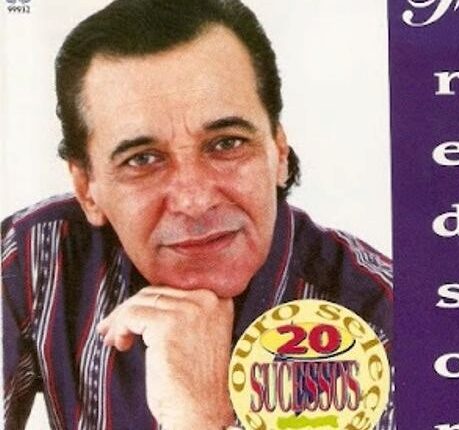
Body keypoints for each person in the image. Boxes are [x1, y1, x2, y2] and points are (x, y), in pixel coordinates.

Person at [1, 0, 393, 428]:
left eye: (226, 143)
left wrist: (200, 418)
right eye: (142, 159)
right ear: (86, 188)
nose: (195, 200)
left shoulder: (393, 325)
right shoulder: (34, 256)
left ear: (279, 152)